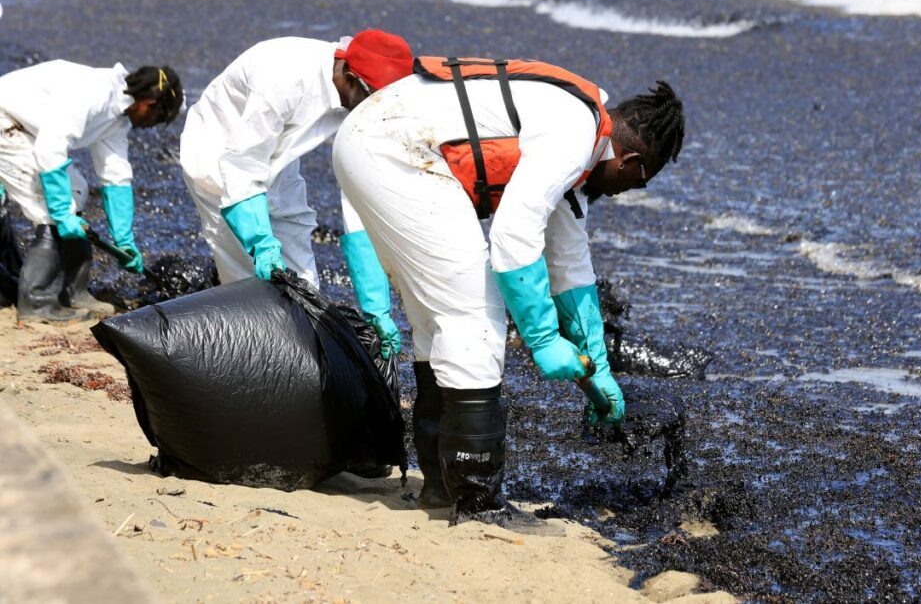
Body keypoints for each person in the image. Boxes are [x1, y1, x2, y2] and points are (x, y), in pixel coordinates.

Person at [332, 56, 684, 528]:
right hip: (395, 150)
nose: (625, 193)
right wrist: (542, 339)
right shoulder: (575, 134)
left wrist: (596, 367)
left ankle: (441, 488)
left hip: (378, 142)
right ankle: (477, 502)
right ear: (632, 162)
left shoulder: (584, 126)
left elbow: (569, 262)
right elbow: (513, 238)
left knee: (436, 320)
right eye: (637, 183)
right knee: (474, 314)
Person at [178, 30, 410, 359]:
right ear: (349, 77)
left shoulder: (362, 99)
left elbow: (360, 197)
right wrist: (260, 242)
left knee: (305, 286)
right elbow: (242, 163)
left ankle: (301, 359)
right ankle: (256, 365)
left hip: (279, 161)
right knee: (247, 282)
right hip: (220, 158)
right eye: (371, 99)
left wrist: (377, 307)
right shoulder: (285, 77)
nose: (375, 111)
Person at [0, 60, 183, 324]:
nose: (152, 126)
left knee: (78, 190)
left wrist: (124, 241)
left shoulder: (118, 119)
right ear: (149, 104)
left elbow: (115, 175)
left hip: (23, 129)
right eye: (158, 119)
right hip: (6, 122)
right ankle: (36, 302)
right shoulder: (95, 93)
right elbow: (49, 150)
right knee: (51, 212)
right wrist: (63, 214)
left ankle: (73, 292)